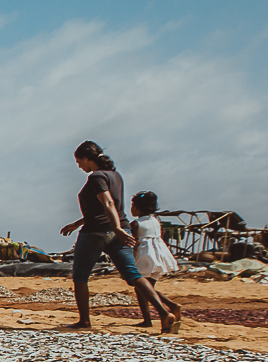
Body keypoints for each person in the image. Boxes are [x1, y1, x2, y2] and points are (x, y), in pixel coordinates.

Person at [57, 141, 181, 333]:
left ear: (88, 159)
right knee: (134, 275)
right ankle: (164, 314)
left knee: (80, 276)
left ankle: (84, 321)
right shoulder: (116, 176)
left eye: (79, 161)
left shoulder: (96, 177)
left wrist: (115, 228)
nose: (79, 165)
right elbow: (104, 207)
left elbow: (107, 203)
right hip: (118, 229)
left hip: (97, 232)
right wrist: (78, 223)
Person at [128, 191, 179, 327]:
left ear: (137, 208)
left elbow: (134, 243)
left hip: (146, 256)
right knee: (148, 287)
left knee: (141, 288)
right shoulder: (155, 221)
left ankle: (147, 320)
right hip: (160, 255)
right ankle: (171, 305)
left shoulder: (136, 224)